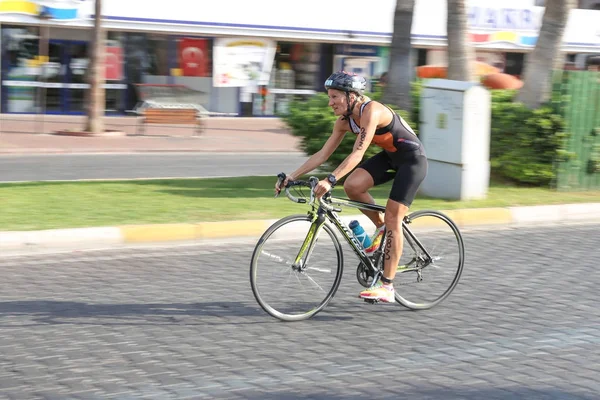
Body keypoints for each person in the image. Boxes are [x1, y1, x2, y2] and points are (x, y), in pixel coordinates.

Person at [275, 71, 428, 303]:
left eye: (335, 96)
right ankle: (381, 231)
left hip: (412, 160)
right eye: (329, 97)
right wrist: (291, 176)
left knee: (393, 218)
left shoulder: (372, 111)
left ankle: (387, 286)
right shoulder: (344, 121)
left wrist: (330, 180)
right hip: (390, 157)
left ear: (352, 96)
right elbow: (323, 154)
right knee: (353, 186)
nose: (330, 102)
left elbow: (358, 153)